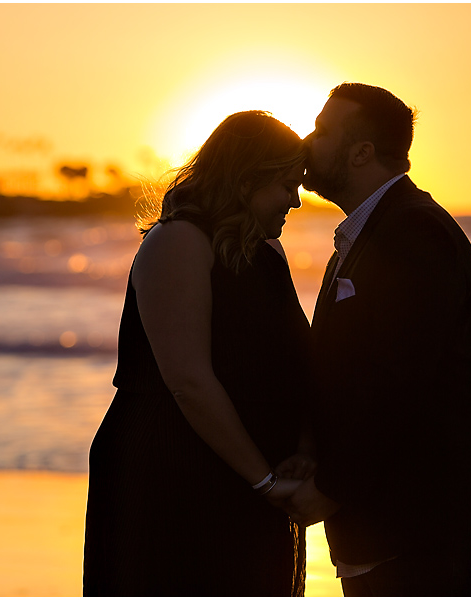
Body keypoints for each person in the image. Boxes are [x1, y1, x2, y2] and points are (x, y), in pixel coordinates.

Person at [280, 83, 471, 596]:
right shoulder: (371, 231)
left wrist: (331, 490)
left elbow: (399, 380)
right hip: (398, 507)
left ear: (362, 152)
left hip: (429, 513)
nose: (308, 139)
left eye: (322, 129)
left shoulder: (413, 233)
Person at [83, 110, 312, 596]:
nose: (295, 201)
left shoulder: (265, 252)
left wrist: (298, 456)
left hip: (244, 473)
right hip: (172, 469)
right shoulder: (178, 241)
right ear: (247, 179)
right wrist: (265, 483)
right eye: (287, 185)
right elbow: (188, 381)